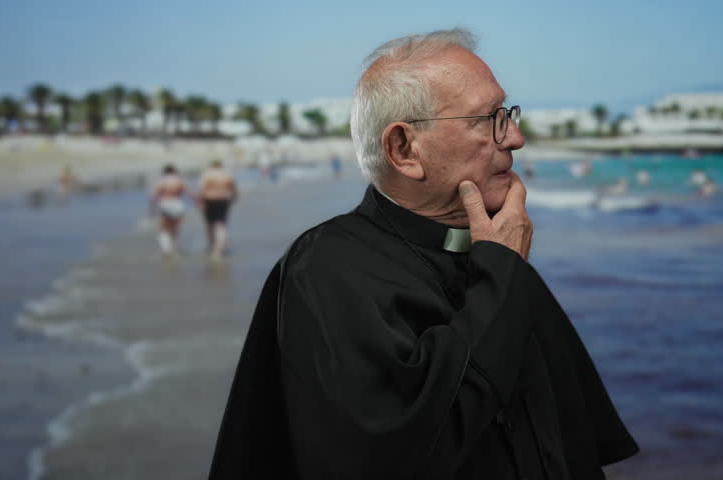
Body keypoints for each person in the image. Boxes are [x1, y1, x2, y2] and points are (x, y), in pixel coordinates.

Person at [209, 28, 638, 480]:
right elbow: (399, 452)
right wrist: (502, 276)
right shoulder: (325, 269)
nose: (515, 137)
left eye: (508, 114)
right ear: (404, 149)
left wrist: (502, 269)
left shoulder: (494, 254)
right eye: (489, 118)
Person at [197, 159, 238, 259]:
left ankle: (212, 246)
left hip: (210, 199)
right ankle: (220, 248)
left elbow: (202, 189)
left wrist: (200, 202)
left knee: (210, 224)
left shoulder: (207, 174)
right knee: (222, 224)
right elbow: (234, 188)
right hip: (223, 200)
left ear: (212, 166)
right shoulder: (226, 174)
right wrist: (234, 198)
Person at [149, 164, 189, 256]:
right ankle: (174, 248)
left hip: (165, 204)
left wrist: (151, 209)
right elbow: (189, 193)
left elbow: (154, 196)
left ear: (164, 172)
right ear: (174, 171)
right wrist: (198, 202)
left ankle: (166, 249)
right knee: (175, 229)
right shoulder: (179, 181)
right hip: (177, 204)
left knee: (163, 228)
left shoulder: (162, 181)